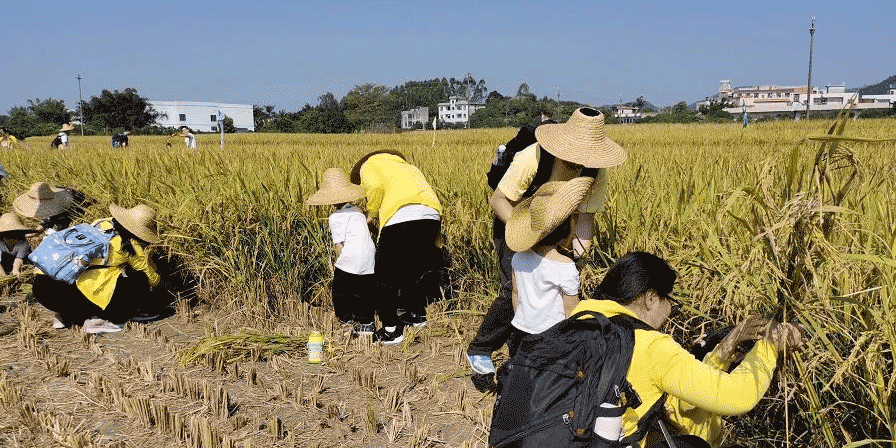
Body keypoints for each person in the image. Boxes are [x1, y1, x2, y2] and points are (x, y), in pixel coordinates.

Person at [571, 252, 804, 448]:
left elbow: (681, 403)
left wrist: (723, 351)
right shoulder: (650, 346)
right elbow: (736, 396)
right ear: (652, 298)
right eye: (671, 302)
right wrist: (770, 345)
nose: (670, 313)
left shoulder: (579, 320)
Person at [467, 107, 627, 379]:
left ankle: (536, 352)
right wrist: (528, 236)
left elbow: (586, 217)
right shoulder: (534, 157)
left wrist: (576, 256)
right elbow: (498, 201)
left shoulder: (597, 172)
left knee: (553, 290)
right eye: (573, 159)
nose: (578, 165)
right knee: (515, 286)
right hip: (516, 218)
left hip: (561, 227)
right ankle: (481, 348)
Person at [350, 149, 442, 344]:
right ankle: (416, 315)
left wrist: (371, 214)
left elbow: (374, 187)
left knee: (384, 275)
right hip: (432, 216)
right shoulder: (408, 167)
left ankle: (391, 330)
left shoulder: (369, 166)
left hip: (400, 218)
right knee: (415, 268)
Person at [32, 203, 164, 333]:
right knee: (139, 280)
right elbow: (151, 278)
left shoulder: (99, 223)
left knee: (86, 272)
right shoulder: (129, 243)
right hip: (69, 294)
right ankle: (97, 320)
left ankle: (64, 314)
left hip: (41, 288)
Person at [503, 177, 595, 357]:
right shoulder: (565, 266)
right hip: (552, 337)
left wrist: (522, 320)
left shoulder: (518, 257)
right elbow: (571, 311)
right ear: (565, 230)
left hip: (520, 331)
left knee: (523, 375)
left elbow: (516, 293)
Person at [306, 168, 377, 334]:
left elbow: (339, 246)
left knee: (340, 289)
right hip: (370, 256)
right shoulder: (358, 211)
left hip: (352, 256)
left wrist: (341, 262)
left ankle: (345, 321)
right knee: (364, 289)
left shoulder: (335, 217)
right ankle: (366, 323)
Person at [0, 213, 34, 277]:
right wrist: (4, 278)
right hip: (9, 258)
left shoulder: (23, 244)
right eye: (6, 235)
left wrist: (15, 270)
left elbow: (19, 259)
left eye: (13, 235)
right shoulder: (0, 243)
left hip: (24, 259)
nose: (10, 238)